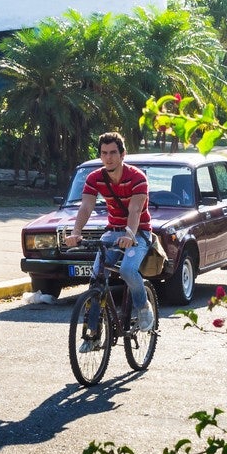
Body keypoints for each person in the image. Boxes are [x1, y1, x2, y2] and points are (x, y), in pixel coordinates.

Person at [63, 131, 155, 331]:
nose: (108, 157)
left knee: (127, 270)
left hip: (139, 232)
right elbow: (86, 207)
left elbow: (135, 209)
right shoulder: (95, 178)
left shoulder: (137, 178)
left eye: (113, 152)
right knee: (97, 276)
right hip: (112, 231)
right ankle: (93, 332)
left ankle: (143, 307)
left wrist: (130, 234)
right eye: (104, 153)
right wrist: (76, 232)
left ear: (123, 155)